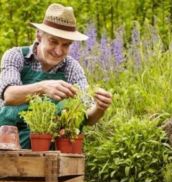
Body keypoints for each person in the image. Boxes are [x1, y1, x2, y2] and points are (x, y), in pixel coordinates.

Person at [0, 3, 112, 148]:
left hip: (53, 151)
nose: (58, 51)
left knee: (67, 109)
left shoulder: (71, 68)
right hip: (8, 146)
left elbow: (88, 115)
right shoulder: (16, 56)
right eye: (53, 41)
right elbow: (9, 95)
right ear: (39, 36)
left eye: (66, 45)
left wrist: (99, 108)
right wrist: (43, 87)